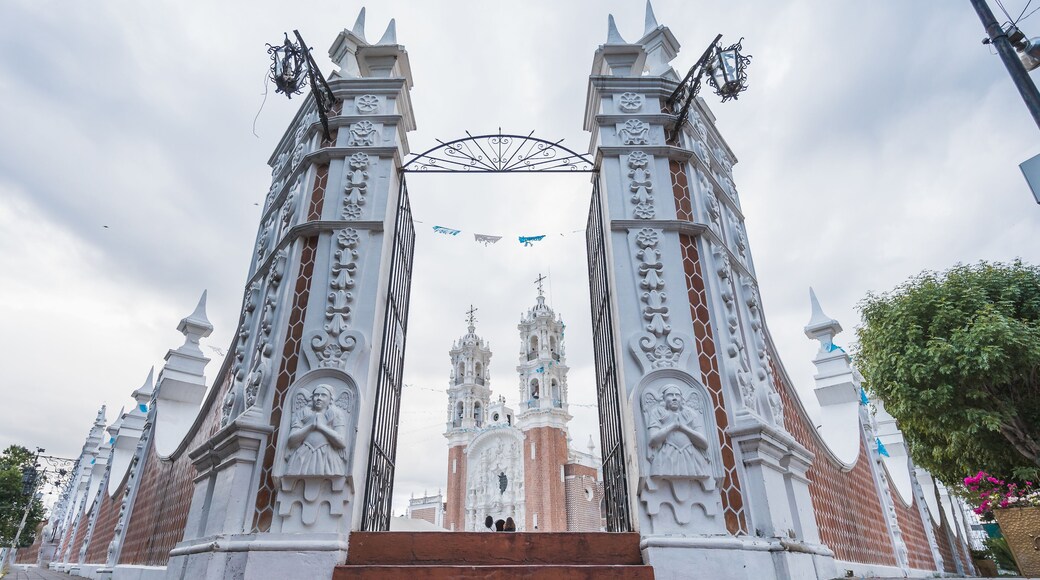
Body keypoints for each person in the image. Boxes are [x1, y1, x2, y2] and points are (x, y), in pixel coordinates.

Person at [646, 385, 712, 481]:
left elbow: (704, 443)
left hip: (691, 456)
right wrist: (672, 426)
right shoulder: (657, 413)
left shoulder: (690, 414)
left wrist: (683, 428)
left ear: (681, 399)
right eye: (670, 395)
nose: (674, 398)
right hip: (666, 456)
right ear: (663, 399)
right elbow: (653, 441)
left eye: (677, 395)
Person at [285, 384, 348, 476]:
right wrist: (310, 427)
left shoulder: (336, 414)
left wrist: (321, 427)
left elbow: (341, 441)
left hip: (327, 455)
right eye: (316, 395)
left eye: (323, 395)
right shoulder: (303, 413)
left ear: (330, 399)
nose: (319, 398)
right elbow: (291, 440)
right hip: (303, 455)